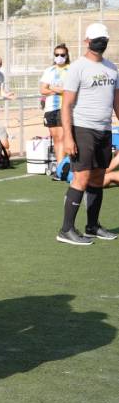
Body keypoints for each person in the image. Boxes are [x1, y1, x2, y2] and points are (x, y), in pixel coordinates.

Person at [56, 23, 119, 245]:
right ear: (87, 41)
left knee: (98, 177)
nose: (101, 43)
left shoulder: (112, 68)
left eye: (104, 39)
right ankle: (66, 230)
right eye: (97, 39)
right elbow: (66, 105)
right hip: (82, 129)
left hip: (104, 130)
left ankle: (92, 226)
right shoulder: (77, 68)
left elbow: (116, 102)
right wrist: (68, 136)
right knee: (81, 178)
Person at [40, 44, 71, 165]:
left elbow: (68, 90)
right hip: (50, 108)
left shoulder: (71, 69)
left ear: (66, 56)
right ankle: (60, 166)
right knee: (56, 138)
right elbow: (43, 90)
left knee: (63, 137)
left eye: (62, 55)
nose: (59, 57)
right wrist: (57, 90)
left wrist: (52, 88)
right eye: (57, 55)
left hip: (65, 108)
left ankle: (64, 166)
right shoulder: (49, 70)